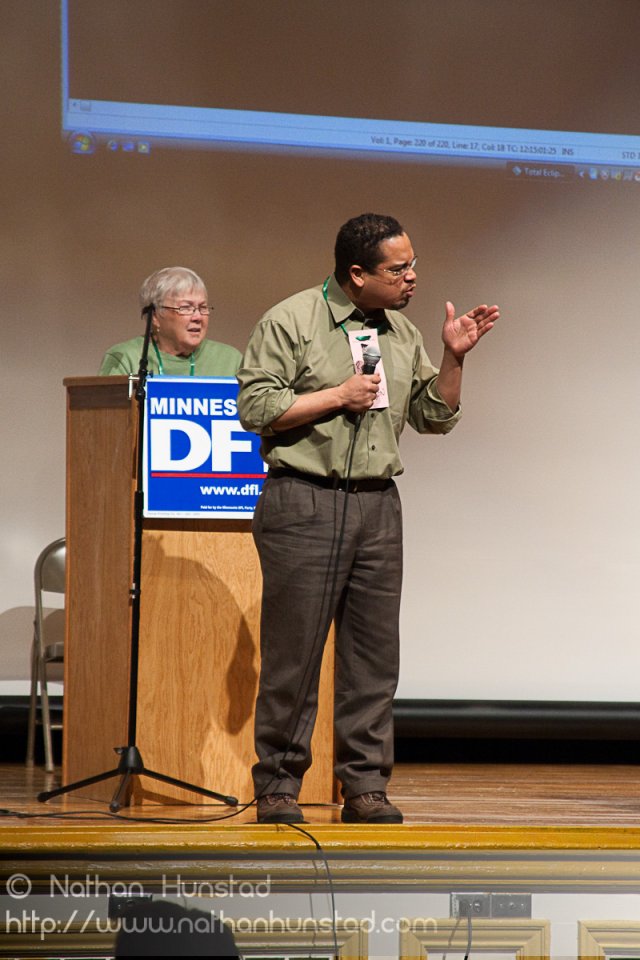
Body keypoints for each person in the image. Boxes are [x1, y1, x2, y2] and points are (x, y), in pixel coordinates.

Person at [237, 213, 499, 825]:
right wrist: (336, 396)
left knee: (374, 656)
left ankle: (364, 785)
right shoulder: (292, 320)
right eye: (398, 269)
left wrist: (454, 358)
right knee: (293, 654)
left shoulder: (402, 332)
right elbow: (254, 405)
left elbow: (433, 416)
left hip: (378, 504)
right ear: (356, 274)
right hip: (305, 498)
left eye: (413, 265)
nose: (413, 278)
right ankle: (278, 784)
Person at [99, 266, 242, 376]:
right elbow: (107, 413)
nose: (198, 317)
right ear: (155, 316)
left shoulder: (230, 360)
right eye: (186, 308)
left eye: (202, 307)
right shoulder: (126, 358)